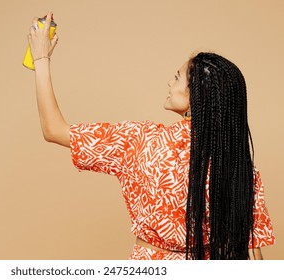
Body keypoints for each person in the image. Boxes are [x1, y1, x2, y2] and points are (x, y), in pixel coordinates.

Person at [26, 12, 275, 260]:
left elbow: (54, 129)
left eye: (177, 77)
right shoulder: (238, 166)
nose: (169, 82)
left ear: (195, 97)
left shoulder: (141, 140)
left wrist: (41, 58)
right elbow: (253, 256)